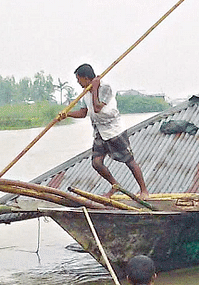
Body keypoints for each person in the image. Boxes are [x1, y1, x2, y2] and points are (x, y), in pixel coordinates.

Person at [57, 63, 149, 198]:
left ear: (86, 78)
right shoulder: (85, 94)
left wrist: (94, 89)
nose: (78, 82)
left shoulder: (105, 88)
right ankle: (115, 185)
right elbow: (84, 113)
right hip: (100, 131)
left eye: (79, 79)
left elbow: (97, 107)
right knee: (96, 163)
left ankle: (144, 191)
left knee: (129, 161)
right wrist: (67, 114)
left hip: (114, 131)